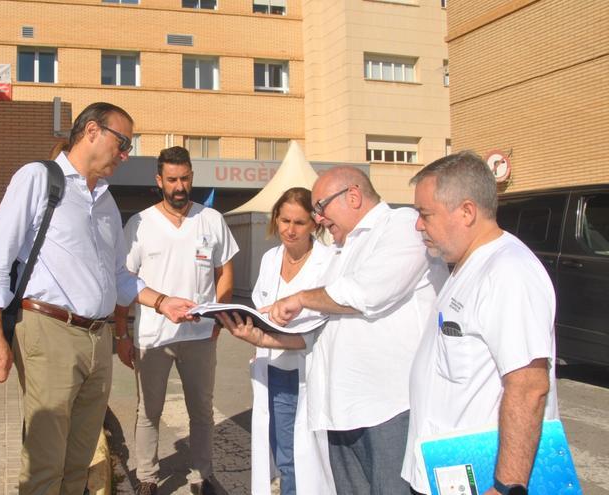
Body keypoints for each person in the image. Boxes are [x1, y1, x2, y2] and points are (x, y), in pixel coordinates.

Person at [0, 102, 197, 495]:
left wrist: (164, 302)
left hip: (99, 340)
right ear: (92, 131)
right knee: (46, 462)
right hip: (49, 332)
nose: (126, 154)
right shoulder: (38, 179)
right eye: (123, 142)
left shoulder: (107, 203)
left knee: (80, 461)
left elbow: (119, 278)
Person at [219, 166, 448, 494]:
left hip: (388, 408)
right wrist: (259, 336)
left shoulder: (399, 227)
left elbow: (367, 293)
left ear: (353, 196)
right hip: (342, 410)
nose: (320, 219)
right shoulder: (344, 249)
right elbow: (315, 330)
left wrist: (299, 298)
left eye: (320, 208)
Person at [403, 152, 558, 495]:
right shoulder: (465, 266)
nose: (418, 225)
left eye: (425, 214)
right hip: (447, 472)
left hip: (485, 480)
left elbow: (529, 386)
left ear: (467, 211)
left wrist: (506, 487)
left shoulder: (508, 272)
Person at [114, 146, 238, 495]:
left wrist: (217, 318)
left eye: (185, 178)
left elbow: (225, 271)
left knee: (201, 411)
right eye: (172, 179)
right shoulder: (138, 224)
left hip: (199, 336)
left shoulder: (211, 220)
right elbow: (123, 281)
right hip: (152, 336)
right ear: (159, 181)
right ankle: (148, 478)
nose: (179, 186)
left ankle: (202, 476)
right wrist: (121, 334)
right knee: (148, 411)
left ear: (192, 178)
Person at [248, 188, 336, 495]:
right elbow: (260, 306)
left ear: (315, 224)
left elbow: (319, 321)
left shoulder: (328, 262)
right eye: (284, 220)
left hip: (303, 371)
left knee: (296, 457)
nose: (290, 229)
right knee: (277, 449)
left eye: (299, 222)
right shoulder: (270, 258)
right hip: (268, 368)